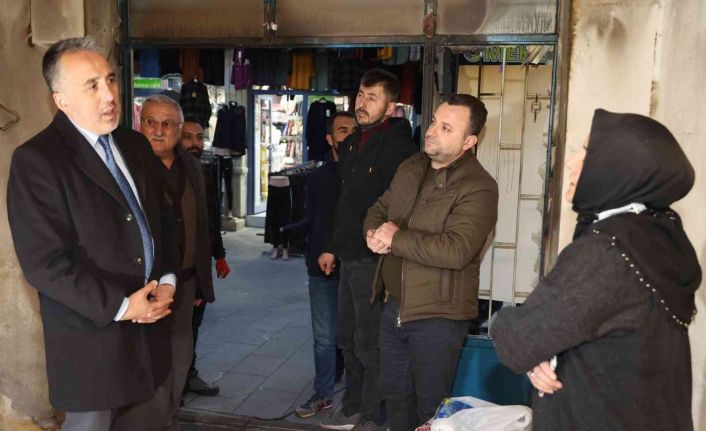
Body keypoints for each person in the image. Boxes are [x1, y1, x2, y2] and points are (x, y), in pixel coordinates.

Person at [491, 109, 700, 431]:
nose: (572, 163)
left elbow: (519, 341)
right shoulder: (659, 235)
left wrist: (512, 329)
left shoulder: (607, 252)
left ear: (620, 168)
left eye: (587, 152)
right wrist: (543, 351)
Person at [6, 37, 177, 431]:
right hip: (92, 344)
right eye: (92, 86)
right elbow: (44, 264)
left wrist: (167, 280)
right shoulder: (38, 160)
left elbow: (162, 221)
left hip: (149, 335)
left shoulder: (134, 145)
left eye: (110, 80)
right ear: (61, 100)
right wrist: (123, 306)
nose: (109, 95)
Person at [363, 94, 498, 431]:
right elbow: (379, 208)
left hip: (438, 316)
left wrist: (396, 239)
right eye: (435, 121)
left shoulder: (479, 187)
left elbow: (457, 250)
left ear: (469, 142)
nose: (432, 131)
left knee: (431, 407)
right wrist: (373, 233)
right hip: (394, 305)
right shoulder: (411, 167)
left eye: (446, 128)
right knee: (394, 394)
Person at [320, 69, 418, 431]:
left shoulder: (401, 149)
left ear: (390, 107)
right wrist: (331, 246)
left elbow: (402, 208)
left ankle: (373, 415)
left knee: (369, 341)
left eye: (372, 98)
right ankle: (353, 405)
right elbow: (343, 201)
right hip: (348, 255)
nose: (361, 103)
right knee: (346, 337)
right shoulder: (351, 144)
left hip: (376, 259)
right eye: (360, 95)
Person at [120, 94, 219, 429]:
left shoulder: (192, 167)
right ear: (140, 124)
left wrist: (203, 280)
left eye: (166, 124)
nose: (158, 131)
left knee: (180, 354)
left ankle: (166, 418)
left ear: (179, 129)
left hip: (185, 282)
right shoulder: (126, 167)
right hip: (142, 285)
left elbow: (203, 225)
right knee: (145, 360)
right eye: (150, 122)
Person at [282, 112, 357, 418]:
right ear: (329, 138)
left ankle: (358, 398)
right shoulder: (318, 177)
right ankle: (323, 393)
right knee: (324, 338)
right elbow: (315, 220)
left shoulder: (367, 175)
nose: (349, 136)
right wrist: (289, 232)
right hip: (321, 270)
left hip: (357, 268)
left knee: (355, 339)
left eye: (354, 130)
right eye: (342, 130)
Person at [179, 118, 232, 396]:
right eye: (188, 137)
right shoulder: (164, 173)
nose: (195, 144)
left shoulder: (205, 173)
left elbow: (211, 219)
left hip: (198, 265)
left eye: (199, 138)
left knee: (193, 323)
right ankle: (174, 385)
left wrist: (219, 255)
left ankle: (188, 375)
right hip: (173, 269)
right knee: (175, 329)